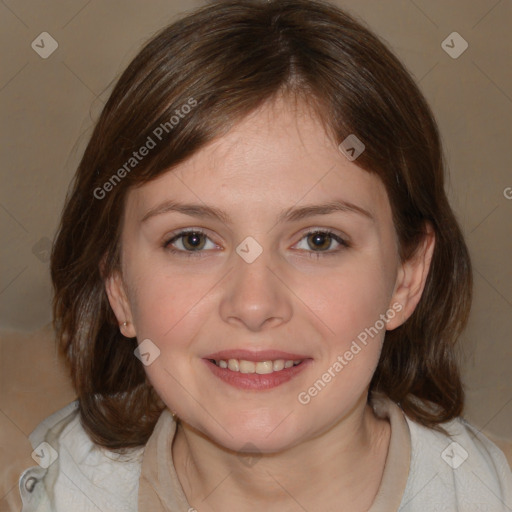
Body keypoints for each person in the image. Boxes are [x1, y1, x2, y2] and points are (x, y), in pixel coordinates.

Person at [17, 0, 512, 510]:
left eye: (319, 240)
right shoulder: (54, 487)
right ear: (119, 287)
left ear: (406, 278)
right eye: (192, 240)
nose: (254, 305)